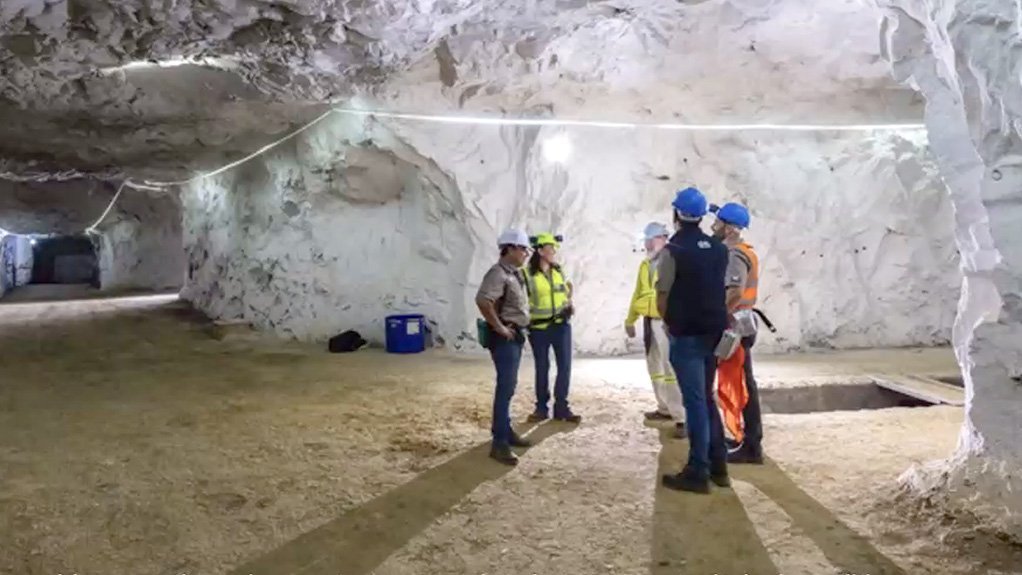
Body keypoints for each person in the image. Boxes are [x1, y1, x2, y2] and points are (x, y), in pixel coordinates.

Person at [656, 186, 731, 494]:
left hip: (686, 335)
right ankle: (719, 465)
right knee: (706, 397)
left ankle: (698, 471)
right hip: (713, 333)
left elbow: (662, 295)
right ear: (701, 216)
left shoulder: (673, 250)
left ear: (676, 214)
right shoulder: (718, 248)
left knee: (696, 403)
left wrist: (669, 323)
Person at [710, 202, 764, 465]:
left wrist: (717, 317)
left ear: (730, 228)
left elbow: (733, 291)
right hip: (742, 324)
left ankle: (752, 445)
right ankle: (745, 437)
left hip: (736, 326)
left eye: (718, 222)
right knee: (743, 383)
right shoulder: (743, 252)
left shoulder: (735, 255)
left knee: (741, 385)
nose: (713, 225)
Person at [476, 229, 534, 465]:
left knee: (508, 388)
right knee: (505, 388)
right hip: (505, 338)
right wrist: (500, 328)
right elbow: (483, 300)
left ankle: (505, 432)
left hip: (514, 335)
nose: (526, 253)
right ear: (509, 248)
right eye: (522, 249)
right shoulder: (498, 273)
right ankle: (499, 443)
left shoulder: (514, 274)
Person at [625, 222, 686, 438]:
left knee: (671, 369)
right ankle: (664, 408)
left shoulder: (672, 260)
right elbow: (638, 293)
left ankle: (681, 418)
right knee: (655, 366)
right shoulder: (646, 264)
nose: (646, 243)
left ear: (659, 238)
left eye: (649, 239)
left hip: (666, 321)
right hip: (650, 320)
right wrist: (630, 320)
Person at [525, 232, 582, 423]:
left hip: (561, 326)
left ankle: (562, 408)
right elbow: (521, 300)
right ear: (540, 251)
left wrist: (569, 303)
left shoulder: (558, 270)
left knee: (564, 367)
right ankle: (541, 408)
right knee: (542, 367)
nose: (553, 252)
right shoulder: (527, 275)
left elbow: (566, 290)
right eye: (550, 248)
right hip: (539, 328)